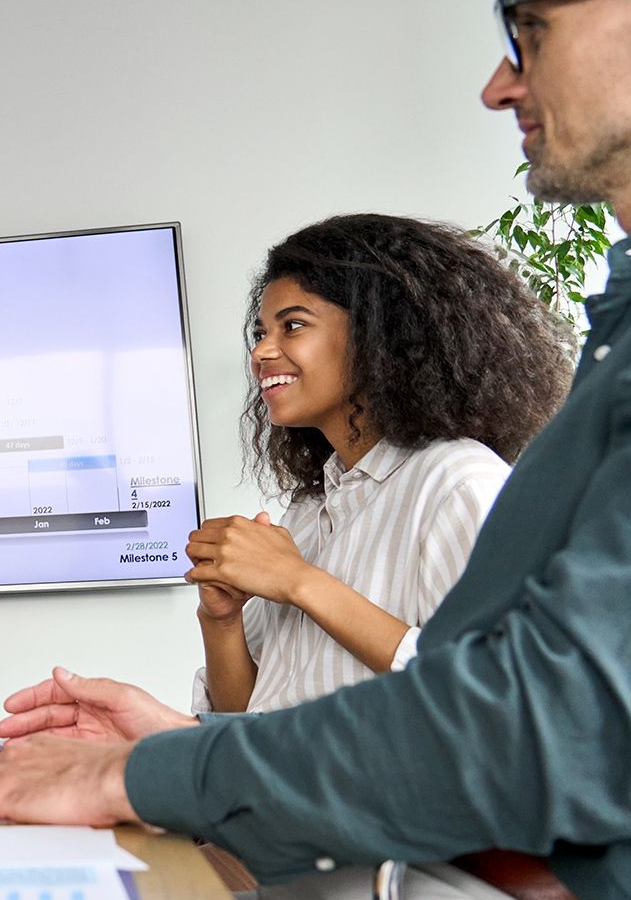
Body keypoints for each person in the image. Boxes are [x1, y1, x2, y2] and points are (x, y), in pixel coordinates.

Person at [0, 0, 631, 900]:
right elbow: (440, 701)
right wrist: (176, 732)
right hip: (402, 876)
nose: (498, 83)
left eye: (531, 28)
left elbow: (526, 727)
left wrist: (150, 767)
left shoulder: (454, 477)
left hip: (463, 898)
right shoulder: (346, 488)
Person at [191, 215, 567, 716]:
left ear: (378, 335)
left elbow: (497, 687)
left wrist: (300, 581)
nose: (261, 351)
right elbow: (243, 714)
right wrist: (221, 620)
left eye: (293, 325)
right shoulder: (310, 509)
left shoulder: (458, 483)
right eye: (261, 332)